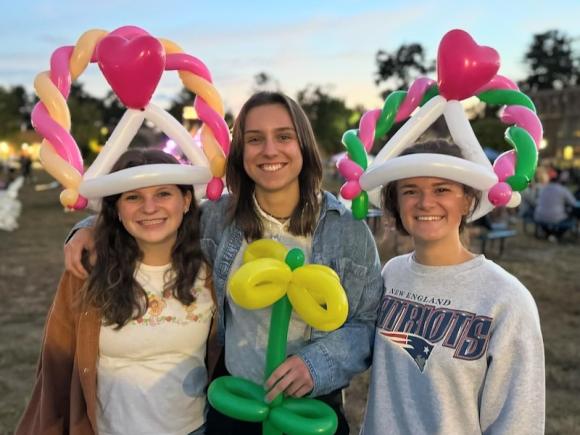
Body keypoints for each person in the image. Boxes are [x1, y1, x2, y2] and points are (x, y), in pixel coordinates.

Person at [63, 92, 383, 435]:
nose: (270, 150)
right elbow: (157, 217)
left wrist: (317, 365)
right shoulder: (218, 218)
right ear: (240, 152)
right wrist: (88, 228)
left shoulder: (346, 229)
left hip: (310, 409)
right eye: (255, 139)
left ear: (303, 145)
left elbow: (365, 323)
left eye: (284, 137)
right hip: (233, 401)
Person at [16, 149, 214, 435]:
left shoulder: (210, 272)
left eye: (163, 194)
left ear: (185, 201)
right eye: (133, 197)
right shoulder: (86, 273)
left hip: (195, 428)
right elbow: (55, 367)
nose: (149, 207)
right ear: (117, 209)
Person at [361, 140, 545, 434]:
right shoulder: (391, 273)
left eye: (442, 189)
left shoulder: (506, 299)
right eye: (410, 190)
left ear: (467, 200)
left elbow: (518, 422)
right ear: (396, 202)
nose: (425, 202)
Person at [533, 170, 577, 241]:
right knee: (571, 220)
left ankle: (549, 234)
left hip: (539, 216)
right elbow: (573, 203)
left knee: (546, 218)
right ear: (558, 181)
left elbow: (537, 201)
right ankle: (556, 235)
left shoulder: (543, 189)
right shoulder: (562, 189)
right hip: (556, 217)